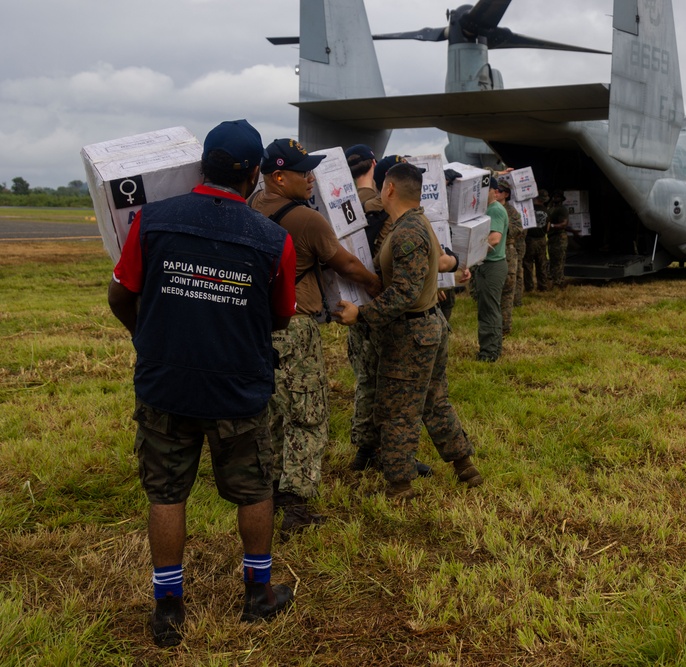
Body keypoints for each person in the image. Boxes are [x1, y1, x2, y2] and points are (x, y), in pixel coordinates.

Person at [107, 120, 297, 647]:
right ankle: (257, 595)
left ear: (201, 165)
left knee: (166, 493)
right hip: (239, 390)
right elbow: (280, 316)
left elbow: (120, 296)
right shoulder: (273, 239)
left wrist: (149, 342)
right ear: (256, 174)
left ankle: (168, 608)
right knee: (254, 488)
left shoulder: (152, 221)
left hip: (165, 386)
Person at [250, 138, 382, 535]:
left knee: (272, 412)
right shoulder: (306, 220)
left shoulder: (252, 207)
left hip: (256, 327)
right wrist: (379, 288)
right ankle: (296, 506)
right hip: (295, 328)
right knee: (307, 417)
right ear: (277, 176)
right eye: (301, 171)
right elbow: (347, 265)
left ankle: (269, 491)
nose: (311, 178)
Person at [333, 162, 483, 500]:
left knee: (398, 410)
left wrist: (362, 314)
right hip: (426, 328)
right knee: (433, 400)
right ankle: (464, 467)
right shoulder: (418, 223)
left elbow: (405, 292)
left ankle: (400, 486)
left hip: (411, 334)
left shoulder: (406, 233)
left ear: (388, 190)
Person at [471, 178, 510, 361]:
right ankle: (490, 349)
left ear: (494, 191)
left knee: (490, 310)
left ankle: (490, 353)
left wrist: (471, 253)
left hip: (493, 265)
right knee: (486, 308)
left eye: (484, 190)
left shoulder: (495, 210)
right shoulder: (487, 210)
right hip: (486, 265)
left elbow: (494, 239)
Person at [497, 180, 523, 335]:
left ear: (506, 194)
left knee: (507, 289)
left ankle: (505, 327)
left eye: (500, 190)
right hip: (491, 251)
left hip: (507, 250)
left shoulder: (511, 211)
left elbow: (519, 230)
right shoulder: (489, 208)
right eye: (495, 190)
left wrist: (503, 228)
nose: (496, 192)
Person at [523, 189, 550, 292]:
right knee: (541, 263)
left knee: (528, 264)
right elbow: (547, 228)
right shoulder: (547, 210)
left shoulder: (528, 209)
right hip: (542, 240)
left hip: (530, 240)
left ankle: (529, 287)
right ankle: (543, 286)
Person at [547, 194, 571, 287]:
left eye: (557, 197)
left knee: (559, 261)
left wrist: (552, 226)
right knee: (552, 260)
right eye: (554, 196)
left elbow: (564, 223)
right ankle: (553, 280)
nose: (554, 198)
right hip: (551, 237)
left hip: (559, 237)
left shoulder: (562, 209)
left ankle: (559, 282)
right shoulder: (550, 208)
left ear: (561, 199)